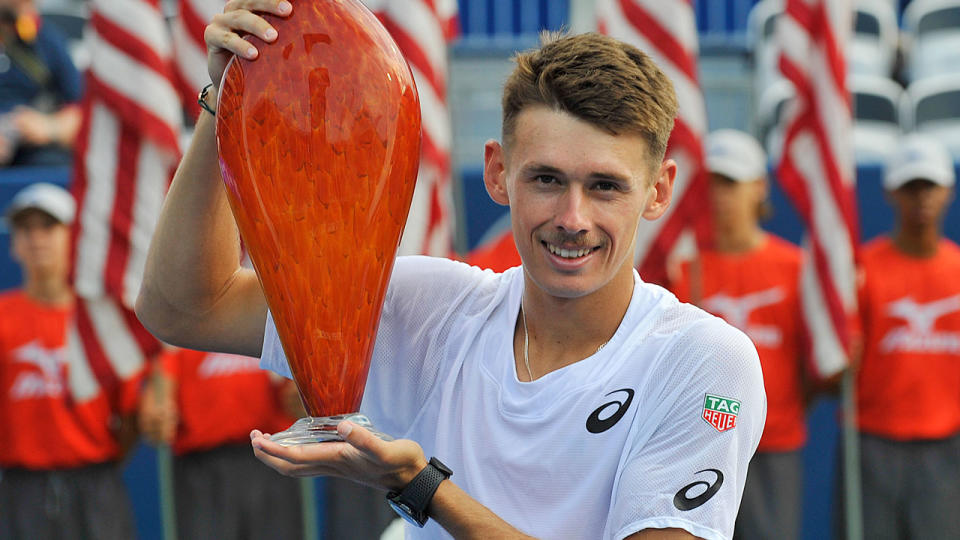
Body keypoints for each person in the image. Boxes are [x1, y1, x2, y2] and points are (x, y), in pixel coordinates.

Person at [136, 1, 767, 538]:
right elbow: (185, 307)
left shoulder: (706, 360)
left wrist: (422, 487)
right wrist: (226, 103)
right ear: (496, 172)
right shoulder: (435, 306)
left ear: (659, 191)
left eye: (606, 186)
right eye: (545, 179)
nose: (573, 217)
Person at [670, 130, 806, 540]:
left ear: (759, 188)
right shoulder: (682, 268)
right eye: (710, 184)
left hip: (772, 444)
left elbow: (813, 362)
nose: (718, 196)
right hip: (697, 444)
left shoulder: (794, 267)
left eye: (729, 183)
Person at [0, 182, 138, 539]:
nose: (36, 238)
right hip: (21, 488)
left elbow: (131, 416)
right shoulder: (3, 316)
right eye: (25, 229)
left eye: (48, 227)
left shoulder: (102, 318)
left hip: (96, 484)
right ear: (13, 244)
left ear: (74, 237)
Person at [849, 133, 960, 539]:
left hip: (946, 446)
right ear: (892, 192)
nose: (921, 199)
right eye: (911, 187)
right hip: (872, 440)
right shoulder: (861, 268)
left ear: (948, 191)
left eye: (929, 186)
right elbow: (838, 366)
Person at [138, 346, 306, 539]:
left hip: (274, 460)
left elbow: (297, 397)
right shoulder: (181, 326)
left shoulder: (270, 321)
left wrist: (301, 396)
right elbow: (157, 405)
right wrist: (157, 417)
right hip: (202, 471)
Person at [0, 0, 82, 167]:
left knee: (53, 164)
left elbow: (82, 111)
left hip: (32, 151)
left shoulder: (48, 41)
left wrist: (50, 128)